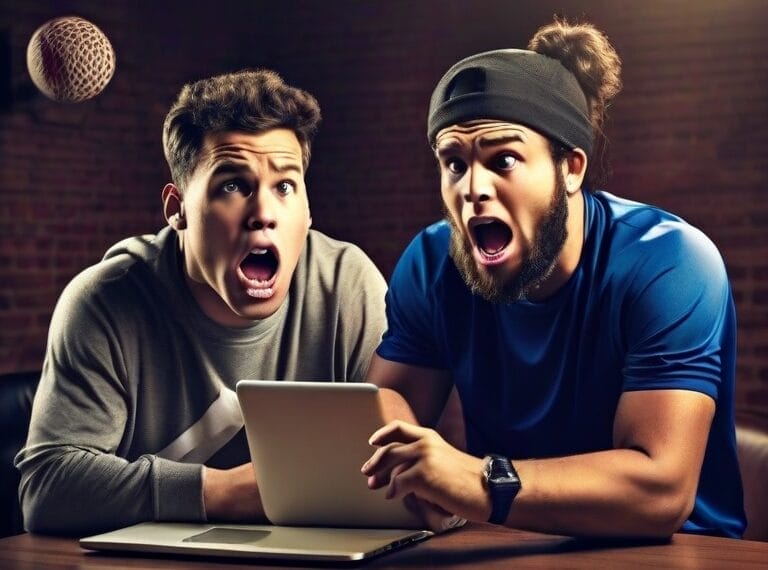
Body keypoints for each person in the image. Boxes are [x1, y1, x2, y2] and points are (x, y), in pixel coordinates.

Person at [361, 18, 746, 539]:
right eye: (454, 163)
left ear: (571, 168)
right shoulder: (433, 263)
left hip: (670, 553)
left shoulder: (670, 262)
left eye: (504, 160)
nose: (472, 188)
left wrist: (476, 481)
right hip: (510, 542)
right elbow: (382, 413)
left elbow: (659, 490)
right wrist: (407, 468)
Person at [16, 69, 388, 535]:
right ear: (177, 208)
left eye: (285, 186)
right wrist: (234, 493)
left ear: (308, 209)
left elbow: (402, 462)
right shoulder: (106, 301)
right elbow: (49, 490)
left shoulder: (347, 285)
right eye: (232, 185)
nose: (264, 215)